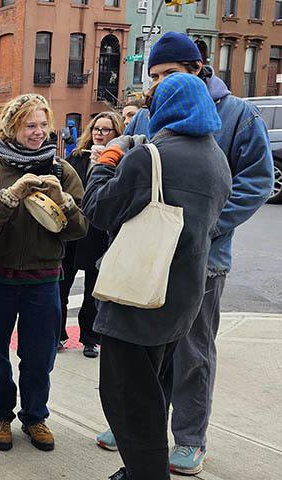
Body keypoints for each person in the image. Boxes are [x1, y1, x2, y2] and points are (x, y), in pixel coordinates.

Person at [97, 33, 273, 475]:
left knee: (188, 356)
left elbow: (256, 181)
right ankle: (141, 437)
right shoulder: (158, 119)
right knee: (154, 364)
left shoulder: (237, 114)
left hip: (200, 259)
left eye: (167, 74)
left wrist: (203, 227)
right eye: (153, 75)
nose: (157, 85)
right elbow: (138, 169)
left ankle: (187, 439)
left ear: (196, 68)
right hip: (155, 260)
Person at [83, 73, 233, 480]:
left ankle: (146, 473)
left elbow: (97, 209)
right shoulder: (217, 158)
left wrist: (108, 159)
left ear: (166, 108)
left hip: (136, 296)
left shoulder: (150, 157)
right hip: (182, 296)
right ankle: (138, 469)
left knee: (129, 402)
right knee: (155, 389)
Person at [0, 93, 87, 453]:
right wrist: (10, 195)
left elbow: (80, 229)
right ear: (11, 128)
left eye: (43, 125)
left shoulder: (62, 171)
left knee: (39, 357)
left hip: (43, 278)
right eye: (29, 125)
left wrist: (63, 201)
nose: (38, 132)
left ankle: (35, 416)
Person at [58, 111, 123, 357]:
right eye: (96, 129)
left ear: (116, 134)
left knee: (92, 290)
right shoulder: (77, 157)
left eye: (106, 130)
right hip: (74, 229)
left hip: (99, 231)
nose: (99, 134)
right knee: (61, 285)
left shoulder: (122, 159)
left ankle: (90, 338)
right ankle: (58, 334)